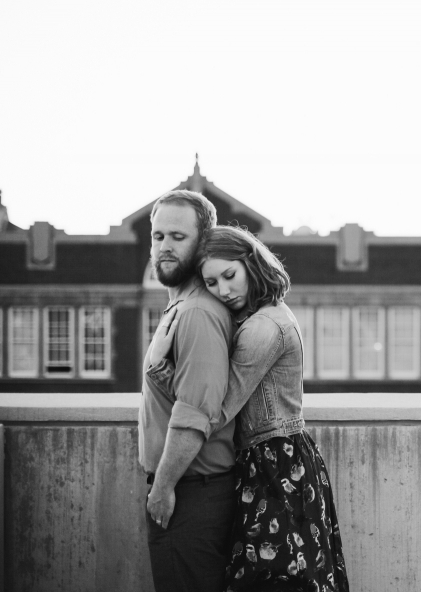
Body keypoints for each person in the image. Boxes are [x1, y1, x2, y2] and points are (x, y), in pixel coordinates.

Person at [150, 225, 350, 592]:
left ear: (251, 262)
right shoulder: (264, 313)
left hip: (275, 466)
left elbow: (218, 410)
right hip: (276, 458)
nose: (223, 291)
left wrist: (160, 370)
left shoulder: (263, 328)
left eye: (229, 275)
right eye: (211, 283)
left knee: (276, 581)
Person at [138, 190, 237, 592]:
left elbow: (194, 413)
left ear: (203, 241)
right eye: (158, 236)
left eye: (177, 237)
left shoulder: (197, 312)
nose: (164, 246)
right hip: (185, 489)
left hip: (191, 494)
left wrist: (161, 489)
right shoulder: (179, 306)